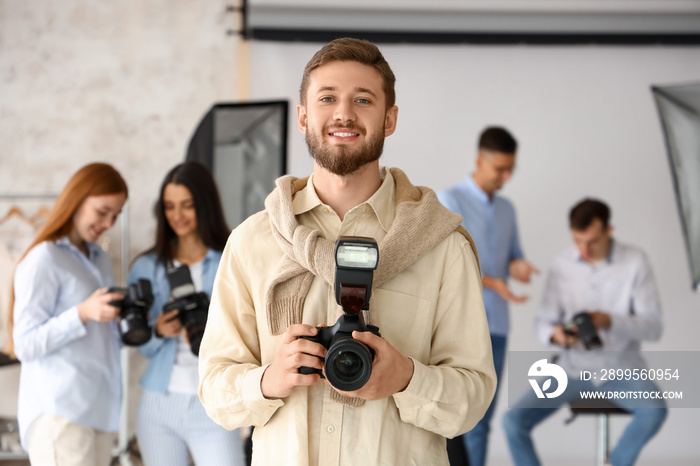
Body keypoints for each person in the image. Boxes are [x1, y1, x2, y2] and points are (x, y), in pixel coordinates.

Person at [198, 37, 497, 465]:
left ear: (389, 119)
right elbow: (213, 386)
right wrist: (269, 379)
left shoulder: (442, 245)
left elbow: (474, 398)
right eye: (327, 98)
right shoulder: (252, 242)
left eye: (363, 99)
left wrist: (407, 379)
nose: (343, 113)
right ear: (303, 116)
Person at [503, 198, 668, 466]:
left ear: (608, 231)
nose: (584, 250)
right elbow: (542, 324)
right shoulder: (561, 265)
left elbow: (654, 327)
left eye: (592, 241)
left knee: (655, 411)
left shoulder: (635, 262)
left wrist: (609, 320)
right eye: (578, 241)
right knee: (512, 422)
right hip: (570, 368)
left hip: (621, 369)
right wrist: (557, 335)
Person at [9, 163, 128, 466]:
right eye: (102, 211)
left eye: (115, 215)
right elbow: (24, 344)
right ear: (77, 198)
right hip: (60, 413)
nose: (109, 222)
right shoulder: (44, 259)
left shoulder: (98, 258)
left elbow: (98, 338)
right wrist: (82, 313)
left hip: (99, 410)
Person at [128, 161, 245, 466]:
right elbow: (139, 342)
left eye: (186, 205)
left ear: (204, 205)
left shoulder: (231, 259)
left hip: (215, 400)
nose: (176, 215)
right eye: (168, 206)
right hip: (159, 404)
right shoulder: (147, 267)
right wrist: (157, 331)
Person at [437, 126, 539, 466]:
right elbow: (445, 264)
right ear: (480, 160)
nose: (506, 177)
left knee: (482, 418)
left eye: (511, 169)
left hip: (497, 326)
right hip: (458, 324)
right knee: (454, 417)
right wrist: (494, 283)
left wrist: (519, 266)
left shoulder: (508, 208)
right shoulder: (450, 200)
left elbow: (513, 254)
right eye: (500, 169)